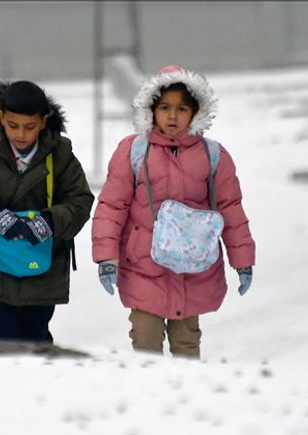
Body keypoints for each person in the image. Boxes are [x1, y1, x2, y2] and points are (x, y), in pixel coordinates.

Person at [91, 65, 256, 359]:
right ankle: (148, 399)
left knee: (187, 344)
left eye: (181, 109)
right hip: (144, 266)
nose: (172, 116)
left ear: (195, 112)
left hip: (193, 268)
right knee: (145, 340)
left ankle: (185, 400)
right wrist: (106, 257)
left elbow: (231, 209)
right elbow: (112, 206)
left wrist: (242, 260)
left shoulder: (212, 155)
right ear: (151, 109)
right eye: (165, 107)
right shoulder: (133, 151)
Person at [0, 80, 94, 343]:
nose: (20, 134)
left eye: (30, 127)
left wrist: (48, 221)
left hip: (40, 266)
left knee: (36, 338)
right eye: (12, 126)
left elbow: (80, 200)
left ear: (44, 121)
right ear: (1, 117)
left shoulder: (59, 153)